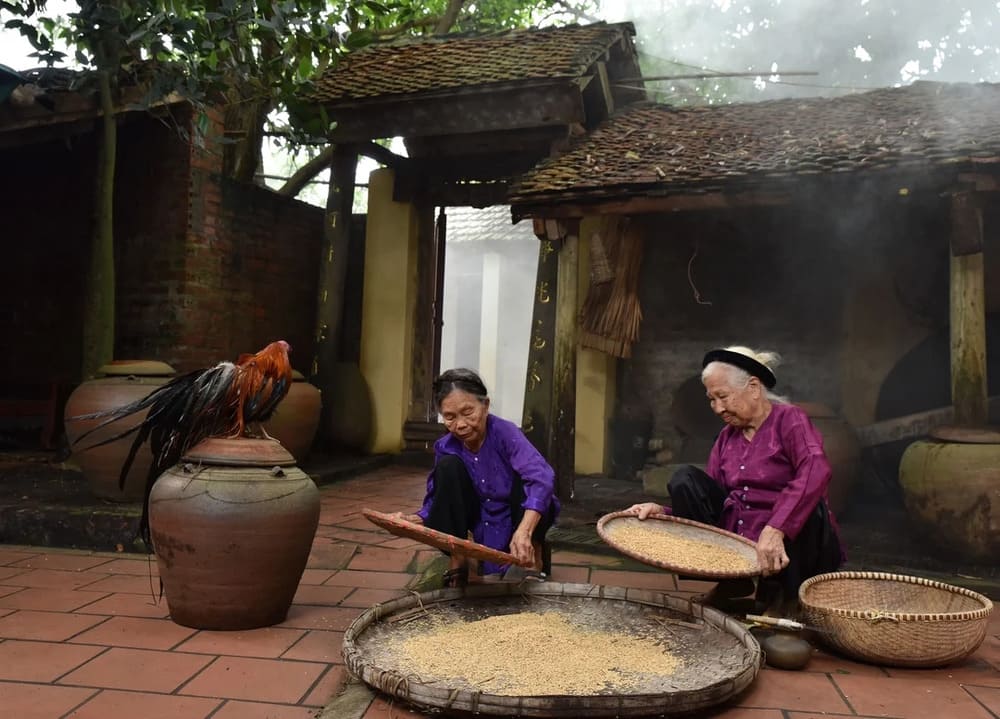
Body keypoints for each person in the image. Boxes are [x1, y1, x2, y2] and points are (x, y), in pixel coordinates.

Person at [626, 346, 844, 613]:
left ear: (753, 388)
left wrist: (777, 528)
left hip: (793, 543)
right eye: (711, 399)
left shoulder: (790, 419)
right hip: (741, 539)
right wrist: (663, 512)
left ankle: (787, 595)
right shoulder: (726, 438)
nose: (717, 408)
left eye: (722, 396)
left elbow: (816, 468)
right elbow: (710, 504)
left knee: (810, 505)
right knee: (685, 479)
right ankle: (731, 581)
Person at [396, 368, 560, 587]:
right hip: (482, 517)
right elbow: (439, 498)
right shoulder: (446, 447)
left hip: (516, 516)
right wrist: (413, 520)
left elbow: (542, 478)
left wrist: (524, 531)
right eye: (450, 417)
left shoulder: (505, 432)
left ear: (485, 405)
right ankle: (458, 557)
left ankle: (533, 556)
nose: (460, 425)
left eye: (468, 412)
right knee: (448, 468)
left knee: (532, 483)